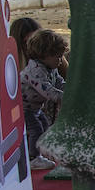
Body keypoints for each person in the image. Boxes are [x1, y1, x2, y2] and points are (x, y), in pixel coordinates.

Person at [23, 28, 68, 169]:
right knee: (36, 129)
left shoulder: (50, 68)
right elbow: (49, 92)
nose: (60, 60)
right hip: (24, 109)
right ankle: (33, 158)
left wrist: (70, 89)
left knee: (45, 125)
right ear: (44, 55)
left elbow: (59, 82)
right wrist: (67, 98)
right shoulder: (35, 71)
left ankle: (42, 152)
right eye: (58, 57)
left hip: (35, 108)